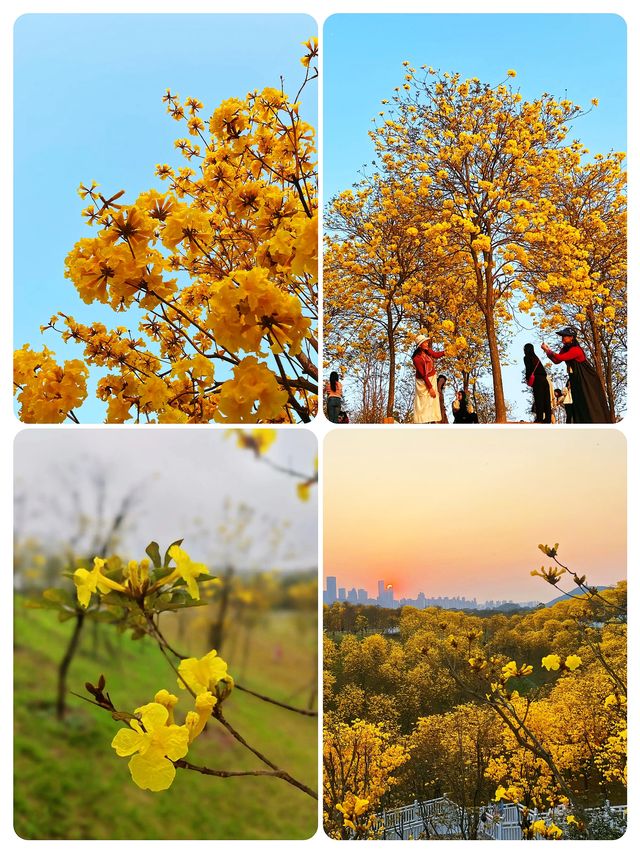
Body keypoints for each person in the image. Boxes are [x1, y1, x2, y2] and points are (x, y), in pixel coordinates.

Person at [541, 327, 611, 423]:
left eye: (565, 336)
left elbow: (560, 357)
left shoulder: (576, 350)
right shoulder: (565, 348)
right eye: (562, 336)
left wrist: (548, 350)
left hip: (586, 377)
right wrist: (547, 351)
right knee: (579, 400)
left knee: (589, 399)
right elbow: (557, 360)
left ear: (572, 337)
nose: (563, 338)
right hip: (576, 378)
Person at [412, 335, 444, 424]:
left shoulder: (427, 351)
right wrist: (430, 388)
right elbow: (423, 375)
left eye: (427, 342)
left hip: (432, 378)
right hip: (423, 381)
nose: (427, 344)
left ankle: (433, 420)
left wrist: (446, 352)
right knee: (423, 402)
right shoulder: (416, 359)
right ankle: (422, 422)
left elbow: (436, 355)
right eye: (425, 342)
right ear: (420, 345)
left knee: (432, 400)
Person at [523, 343, 551, 423]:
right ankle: (548, 419)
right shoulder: (536, 357)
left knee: (539, 399)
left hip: (537, 380)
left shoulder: (526, 357)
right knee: (546, 399)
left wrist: (528, 379)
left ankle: (539, 418)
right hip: (545, 379)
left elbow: (528, 369)